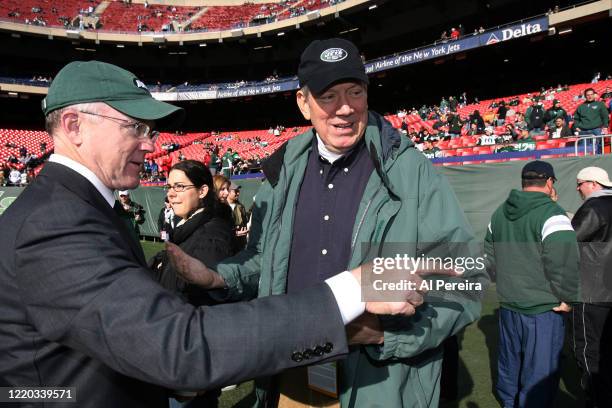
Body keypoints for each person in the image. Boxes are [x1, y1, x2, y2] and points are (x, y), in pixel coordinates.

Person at [0, 60, 416, 408]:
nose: (151, 145)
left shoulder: (81, 207)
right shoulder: (54, 221)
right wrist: (351, 290)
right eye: (136, 128)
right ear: (74, 126)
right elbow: (179, 345)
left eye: (151, 131)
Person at [173, 38, 486, 408]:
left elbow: (466, 278)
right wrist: (222, 277)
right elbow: (264, 259)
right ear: (303, 103)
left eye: (355, 91)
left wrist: (384, 335)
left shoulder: (410, 171)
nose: (345, 108)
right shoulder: (283, 172)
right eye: (328, 96)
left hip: (376, 383)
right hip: (293, 367)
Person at [484, 160, 579, 408]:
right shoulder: (552, 213)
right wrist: (568, 298)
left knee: (509, 363)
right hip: (543, 308)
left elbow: (489, 258)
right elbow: (564, 264)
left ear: (524, 182)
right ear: (549, 182)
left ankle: (508, 401)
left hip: (509, 303)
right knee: (540, 372)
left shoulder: (499, 212)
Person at [151, 160, 235, 408]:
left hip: (189, 364)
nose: (171, 193)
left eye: (179, 186)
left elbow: (203, 304)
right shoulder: (187, 227)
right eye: (169, 187)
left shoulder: (211, 233)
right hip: (174, 354)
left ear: (202, 191)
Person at [571, 166, 612, 408]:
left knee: (589, 350)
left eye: (581, 183)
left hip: (593, 290)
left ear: (594, 184)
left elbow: (569, 242)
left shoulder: (594, 206)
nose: (578, 188)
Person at [574, 88, 609, 154]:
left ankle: (599, 162)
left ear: (594, 95)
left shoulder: (600, 104)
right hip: (583, 131)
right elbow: (576, 118)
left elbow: (605, 116)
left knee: (598, 148)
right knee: (584, 149)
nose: (590, 96)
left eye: (591, 94)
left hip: (597, 129)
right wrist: (576, 127)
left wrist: (605, 126)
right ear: (585, 96)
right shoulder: (580, 106)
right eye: (588, 95)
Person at [227, 182, 248, 253]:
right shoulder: (221, 207)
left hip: (240, 244)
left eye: (238, 191)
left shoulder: (241, 207)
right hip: (228, 244)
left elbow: (245, 223)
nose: (238, 194)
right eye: (236, 191)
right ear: (228, 192)